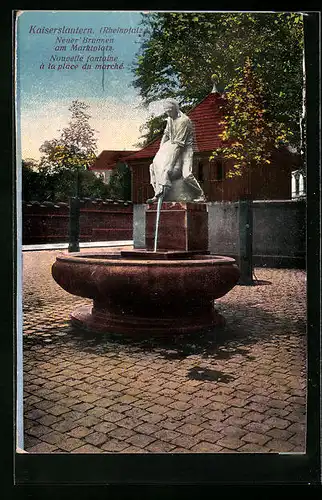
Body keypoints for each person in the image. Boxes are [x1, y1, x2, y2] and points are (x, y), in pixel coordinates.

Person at [147, 98, 206, 203]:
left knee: (187, 175)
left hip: (185, 149)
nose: (168, 113)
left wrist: (170, 164)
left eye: (169, 111)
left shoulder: (184, 121)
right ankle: (158, 193)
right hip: (172, 146)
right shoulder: (170, 119)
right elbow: (166, 135)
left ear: (175, 108)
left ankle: (200, 194)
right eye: (166, 111)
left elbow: (179, 146)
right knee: (153, 167)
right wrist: (160, 152)